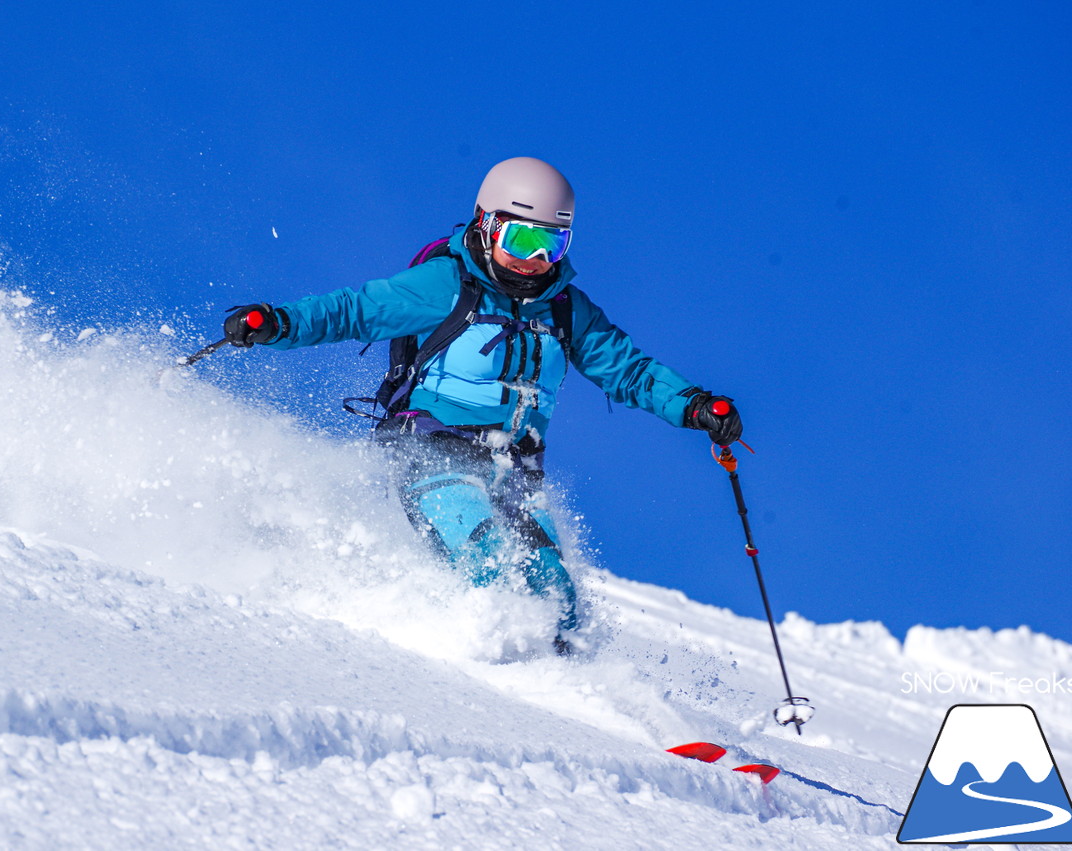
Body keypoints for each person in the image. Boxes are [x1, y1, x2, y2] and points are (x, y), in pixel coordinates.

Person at [222, 157, 742, 654]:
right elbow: (355, 310)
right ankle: (489, 686)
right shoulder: (446, 285)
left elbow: (627, 368)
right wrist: (277, 322)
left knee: (556, 596)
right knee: (487, 563)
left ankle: (573, 701)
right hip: (432, 454)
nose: (537, 260)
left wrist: (693, 405)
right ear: (488, 225)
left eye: (553, 245)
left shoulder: (565, 309)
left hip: (514, 469)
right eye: (524, 239)